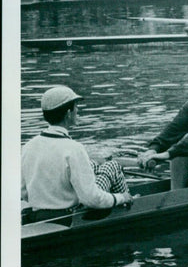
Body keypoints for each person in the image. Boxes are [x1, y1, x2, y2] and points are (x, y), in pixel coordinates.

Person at [21, 86, 133, 224]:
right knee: (112, 165)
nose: (78, 111)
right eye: (76, 107)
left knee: (94, 164)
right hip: (68, 218)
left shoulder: (28, 146)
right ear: (68, 113)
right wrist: (120, 197)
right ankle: (129, 202)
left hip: (37, 216)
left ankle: (122, 197)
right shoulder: (74, 149)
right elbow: (92, 199)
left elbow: (24, 193)